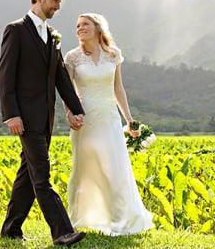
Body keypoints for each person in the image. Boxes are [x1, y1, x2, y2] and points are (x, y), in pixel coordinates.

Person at [0, 0, 87, 246]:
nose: (58, 7)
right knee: (41, 175)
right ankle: (62, 231)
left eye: (60, 2)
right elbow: (5, 76)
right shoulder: (15, 31)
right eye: (54, 1)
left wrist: (76, 109)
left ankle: (11, 229)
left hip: (45, 118)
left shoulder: (52, 35)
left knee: (27, 175)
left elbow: (60, 77)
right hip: (24, 117)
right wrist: (11, 114)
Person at [63, 13, 154, 235]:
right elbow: (67, 91)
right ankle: (81, 217)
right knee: (86, 168)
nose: (80, 28)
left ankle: (119, 219)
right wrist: (70, 114)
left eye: (85, 24)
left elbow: (118, 89)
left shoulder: (113, 55)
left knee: (114, 167)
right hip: (85, 120)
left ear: (97, 28)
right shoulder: (72, 57)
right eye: (77, 26)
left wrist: (129, 119)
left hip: (110, 119)